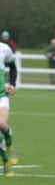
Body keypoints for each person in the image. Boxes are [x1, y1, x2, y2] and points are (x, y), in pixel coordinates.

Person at [0, 40, 17, 176]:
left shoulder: (4, 49)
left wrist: (12, 84)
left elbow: (13, 67)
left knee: (2, 124)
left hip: (1, 94)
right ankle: (6, 161)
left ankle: (9, 139)